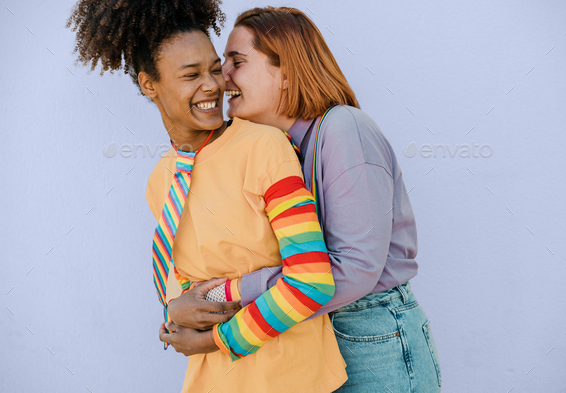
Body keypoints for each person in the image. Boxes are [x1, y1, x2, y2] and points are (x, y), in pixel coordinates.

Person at [66, 1, 348, 392]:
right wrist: (174, 309)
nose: (214, 85)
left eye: (215, 68)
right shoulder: (160, 181)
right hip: (212, 380)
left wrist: (219, 338)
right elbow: (183, 284)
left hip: (292, 378)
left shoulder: (264, 147)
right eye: (191, 75)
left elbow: (313, 280)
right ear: (150, 85)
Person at [170, 6, 442, 393]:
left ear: (285, 72)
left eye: (237, 61)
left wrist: (231, 293)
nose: (221, 77)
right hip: (311, 333)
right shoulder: (276, 149)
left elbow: (356, 269)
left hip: (369, 331)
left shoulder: (344, 129)